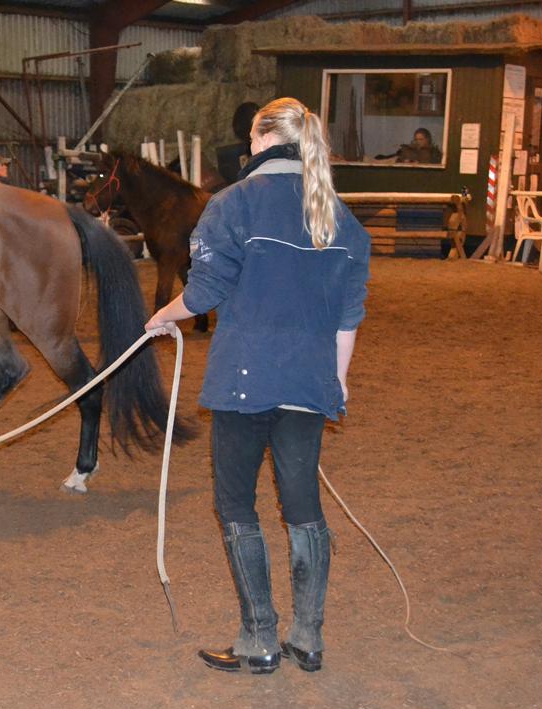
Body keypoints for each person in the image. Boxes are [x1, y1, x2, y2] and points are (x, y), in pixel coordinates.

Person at [144, 97, 371, 674]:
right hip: (309, 384)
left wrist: (164, 315)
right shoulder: (340, 218)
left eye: (251, 137)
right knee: (303, 509)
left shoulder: (232, 204)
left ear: (265, 140)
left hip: (245, 380)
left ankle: (258, 637)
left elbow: (204, 291)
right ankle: (308, 636)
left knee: (237, 505)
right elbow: (349, 317)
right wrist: (335, 385)